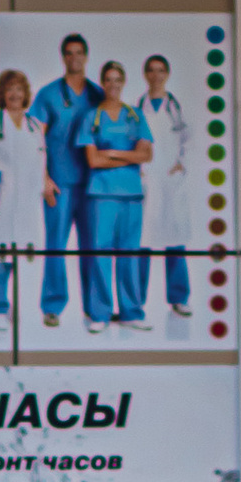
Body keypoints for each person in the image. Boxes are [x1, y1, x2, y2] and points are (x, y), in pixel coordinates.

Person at [29, 34, 102, 331]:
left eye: (79, 52)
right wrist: (44, 178)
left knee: (92, 247)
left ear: (86, 56)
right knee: (55, 245)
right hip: (58, 184)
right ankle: (52, 305)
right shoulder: (48, 95)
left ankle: (94, 309)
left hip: (92, 184)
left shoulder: (97, 95)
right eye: (69, 53)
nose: (75, 58)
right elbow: (34, 139)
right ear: (63, 57)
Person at [81, 60, 151, 333]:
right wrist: (129, 157)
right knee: (100, 252)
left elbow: (146, 154)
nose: (113, 85)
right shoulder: (92, 117)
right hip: (102, 194)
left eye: (117, 80)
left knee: (129, 254)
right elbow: (93, 161)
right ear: (102, 83)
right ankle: (100, 313)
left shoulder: (135, 115)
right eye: (108, 80)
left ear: (124, 82)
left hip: (132, 195)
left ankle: (131, 312)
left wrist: (111, 153)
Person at [0, 63, 43, 330]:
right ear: (1, 94)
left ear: (25, 93)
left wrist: (45, 186)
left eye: (19, 89)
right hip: (0, 196)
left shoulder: (34, 125)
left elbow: (41, 160)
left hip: (27, 198)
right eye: (9, 89)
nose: (15, 94)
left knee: (22, 252)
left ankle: (15, 305)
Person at [138, 51, 195, 327]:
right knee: (142, 241)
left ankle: (179, 297)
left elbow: (190, 140)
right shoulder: (138, 108)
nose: (156, 75)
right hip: (147, 178)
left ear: (167, 74)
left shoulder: (177, 107)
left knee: (175, 239)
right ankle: (136, 300)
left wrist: (181, 165)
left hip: (171, 180)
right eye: (151, 70)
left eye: (161, 70)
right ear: (145, 75)